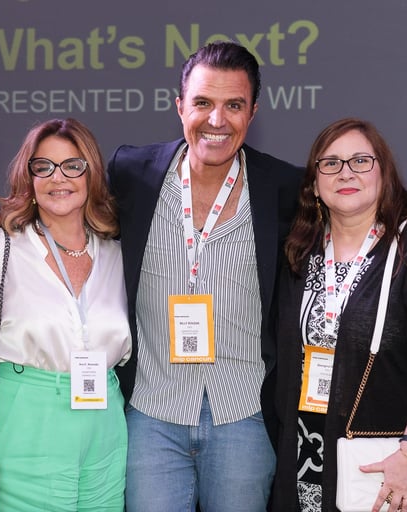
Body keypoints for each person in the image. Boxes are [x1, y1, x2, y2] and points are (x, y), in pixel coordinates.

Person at [106, 41, 303, 511]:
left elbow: (349, 227)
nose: (217, 120)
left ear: (252, 113)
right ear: (180, 107)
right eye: (202, 103)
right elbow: (69, 215)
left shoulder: (284, 188)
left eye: (233, 105)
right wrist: (8, 223)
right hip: (151, 414)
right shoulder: (132, 174)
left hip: (244, 416)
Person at [269, 118, 407, 511]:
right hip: (308, 452)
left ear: (384, 173)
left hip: (392, 463)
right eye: (330, 163)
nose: (345, 172)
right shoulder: (301, 250)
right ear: (313, 183)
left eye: (361, 161)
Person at [0, 118, 131, 510]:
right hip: (26, 423)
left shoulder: (118, 255)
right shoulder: (0, 248)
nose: (57, 177)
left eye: (72, 166)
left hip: (104, 431)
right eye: (43, 166)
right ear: (28, 177)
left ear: (91, 174)